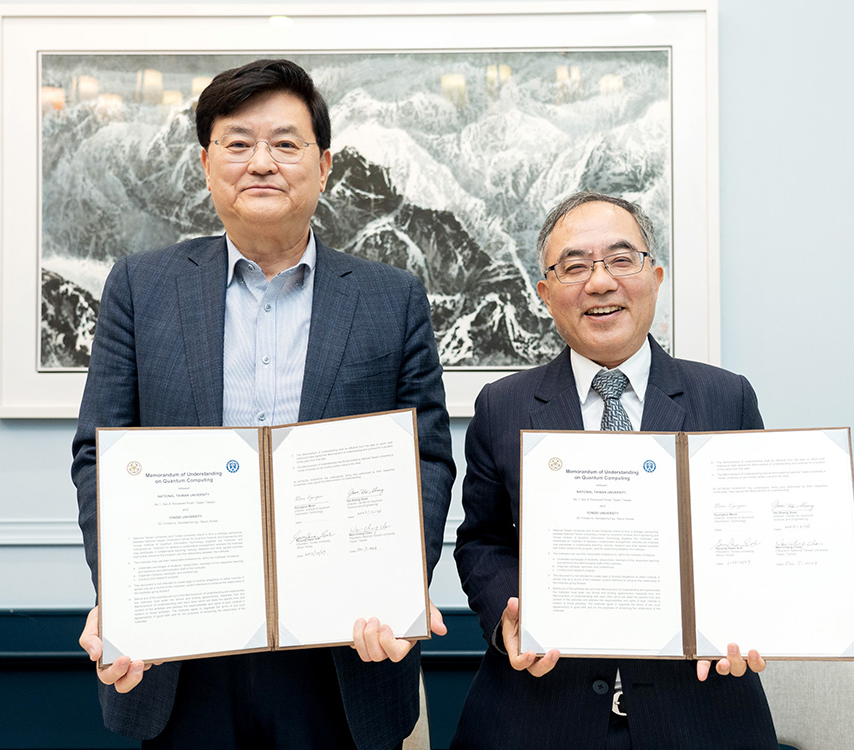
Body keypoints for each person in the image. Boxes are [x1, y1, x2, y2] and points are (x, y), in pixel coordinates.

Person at [71, 59, 455, 749]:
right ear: (206, 162)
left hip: (342, 652)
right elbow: (99, 456)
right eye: (239, 142)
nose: (262, 163)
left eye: (285, 143)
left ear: (324, 163)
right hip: (183, 653)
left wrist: (397, 584)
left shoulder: (390, 297)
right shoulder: (140, 288)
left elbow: (425, 458)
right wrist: (130, 592)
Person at [451, 191, 777, 749]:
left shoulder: (727, 399)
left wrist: (746, 615)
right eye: (574, 266)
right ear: (545, 294)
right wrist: (510, 612)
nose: (599, 283)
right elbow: (481, 541)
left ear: (655, 276)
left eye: (621, 260)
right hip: (537, 712)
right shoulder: (502, 406)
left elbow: (754, 540)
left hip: (698, 714)